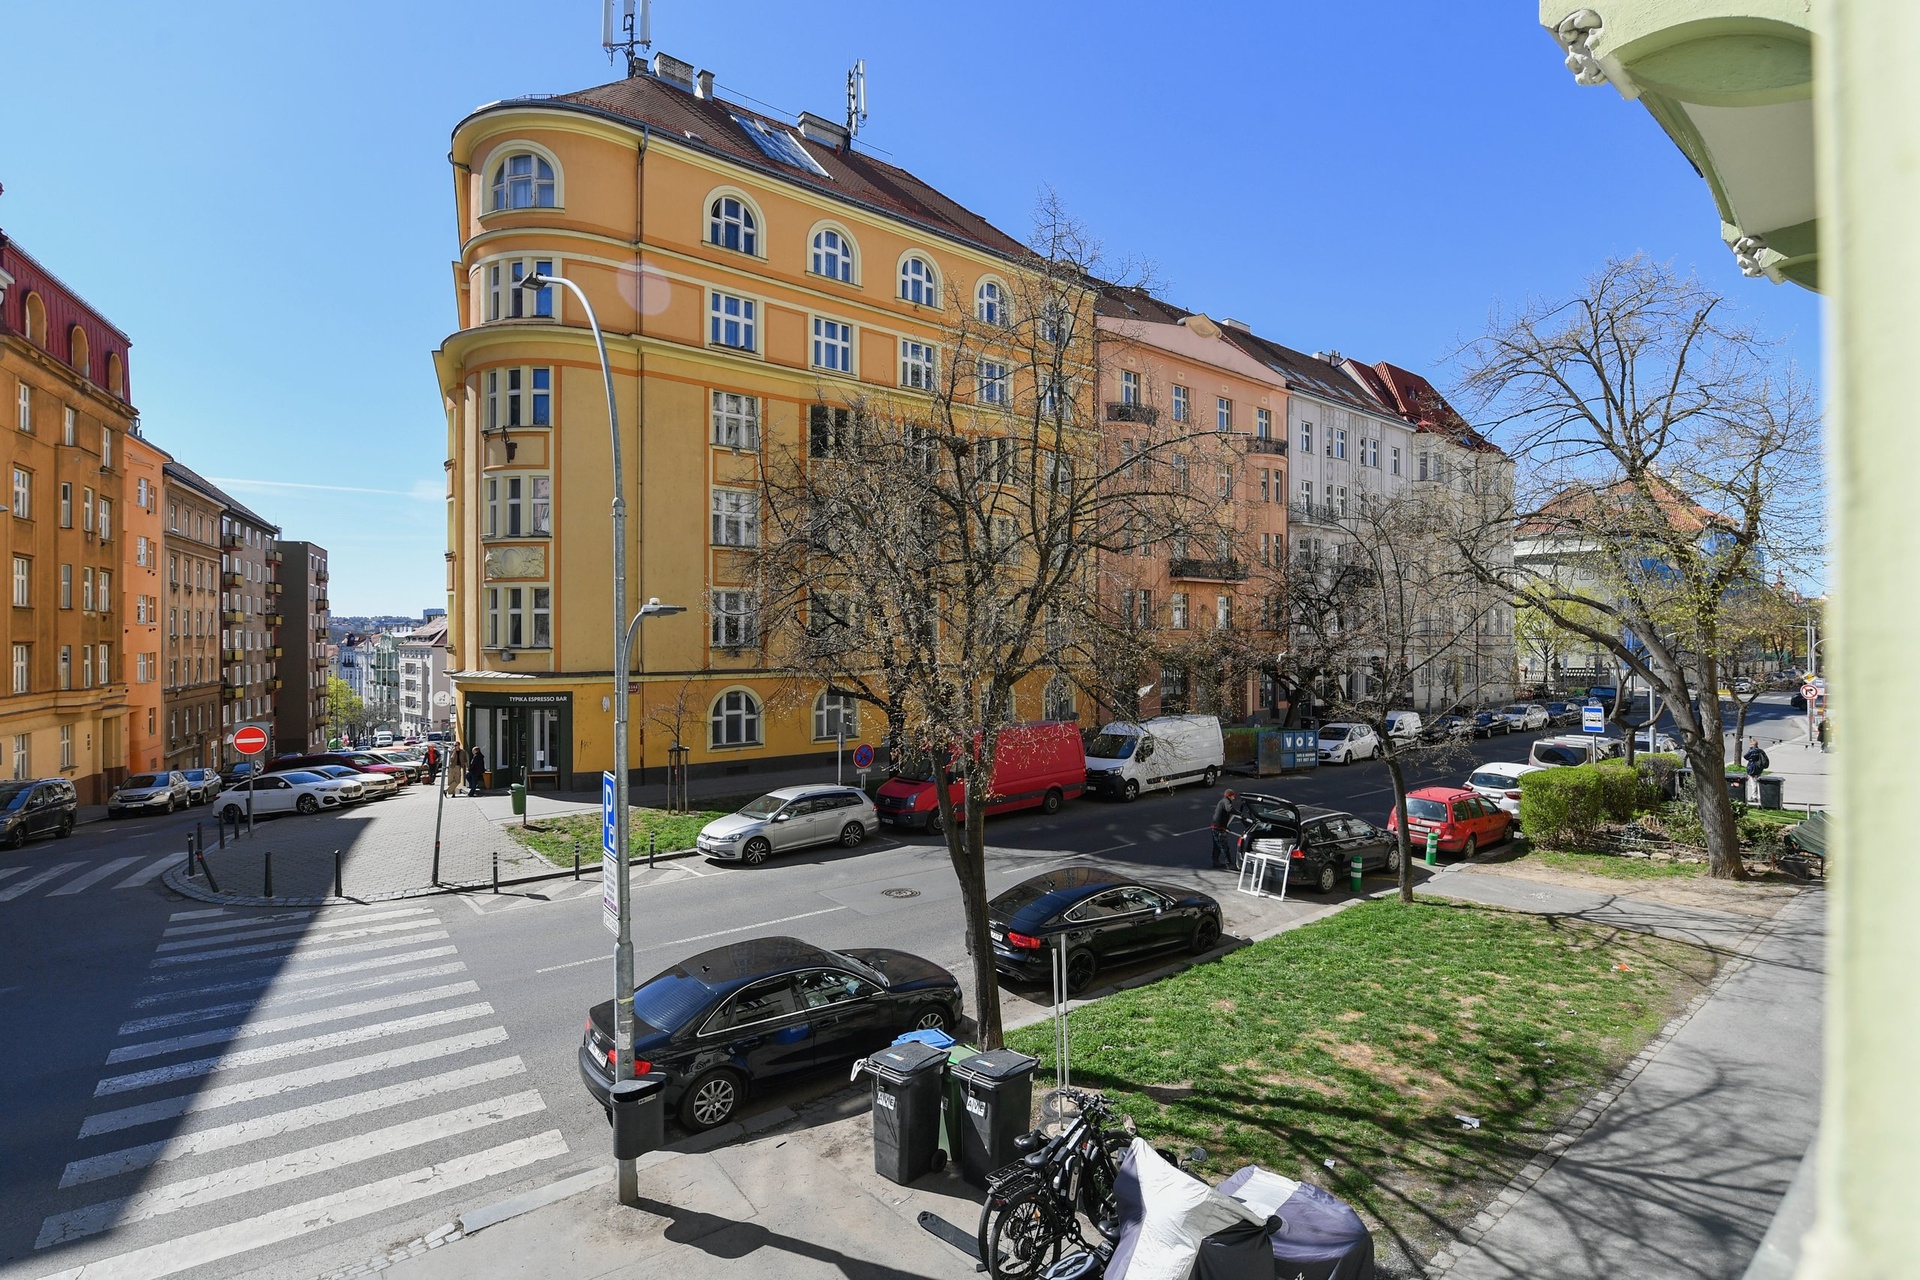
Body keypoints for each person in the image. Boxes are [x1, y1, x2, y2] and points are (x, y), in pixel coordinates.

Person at [1210, 788, 1240, 870]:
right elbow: (1230, 809)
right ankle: (1229, 864)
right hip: (1219, 828)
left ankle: (1215, 861)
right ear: (1230, 796)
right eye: (1233, 796)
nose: (1234, 798)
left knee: (1217, 846)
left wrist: (1225, 827)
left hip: (1215, 827)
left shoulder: (1222, 801)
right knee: (1224, 847)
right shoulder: (1226, 801)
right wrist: (1239, 813)